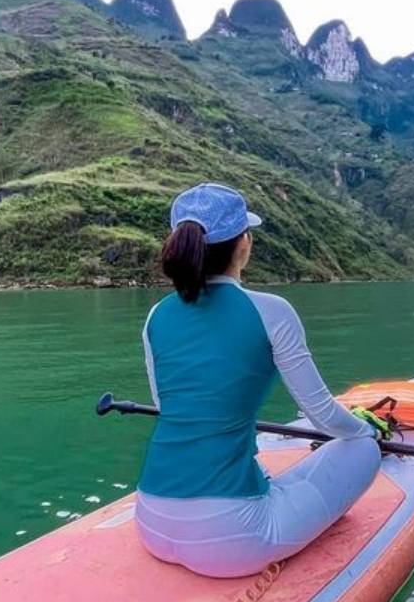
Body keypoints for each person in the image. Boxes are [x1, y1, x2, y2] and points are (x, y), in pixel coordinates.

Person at [133, 183, 390, 578]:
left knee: (270, 476)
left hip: (150, 521)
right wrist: (367, 430)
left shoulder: (156, 316)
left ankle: (255, 487)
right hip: (230, 540)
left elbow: (170, 409)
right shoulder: (272, 311)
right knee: (360, 449)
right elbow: (321, 415)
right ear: (243, 245)